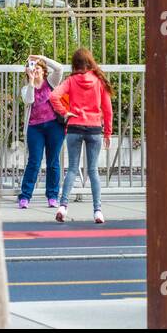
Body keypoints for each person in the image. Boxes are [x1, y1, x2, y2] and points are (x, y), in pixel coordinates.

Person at [51, 47, 113, 223]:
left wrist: (64, 112)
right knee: (93, 171)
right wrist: (107, 132)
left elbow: (53, 96)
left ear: (75, 63)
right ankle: (98, 211)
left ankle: (63, 206)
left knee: (72, 169)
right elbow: (108, 110)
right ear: (89, 62)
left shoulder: (71, 81)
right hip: (94, 128)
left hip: (74, 127)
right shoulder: (99, 82)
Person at [17, 55, 68, 209]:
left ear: (44, 71)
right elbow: (29, 101)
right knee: (34, 161)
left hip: (54, 126)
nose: (35, 70)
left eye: (38, 68)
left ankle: (52, 196)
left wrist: (41, 58)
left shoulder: (51, 82)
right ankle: (25, 196)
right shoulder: (26, 88)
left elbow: (60, 68)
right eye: (32, 68)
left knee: (53, 162)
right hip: (35, 128)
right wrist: (32, 82)